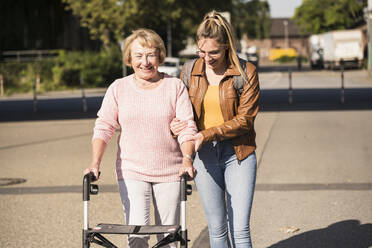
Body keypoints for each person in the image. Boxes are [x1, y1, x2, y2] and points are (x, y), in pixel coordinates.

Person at [84, 28, 197, 248]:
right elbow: (104, 127)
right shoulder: (118, 88)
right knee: (137, 234)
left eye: (150, 55)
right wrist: (94, 163)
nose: (145, 62)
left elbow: (187, 129)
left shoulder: (175, 87)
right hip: (132, 170)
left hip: (170, 171)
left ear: (159, 57)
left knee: (168, 238)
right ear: (129, 58)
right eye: (138, 55)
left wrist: (187, 159)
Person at [170, 11, 260, 248]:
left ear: (227, 47)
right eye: (201, 52)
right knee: (217, 229)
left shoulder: (245, 72)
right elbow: (181, 112)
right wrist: (174, 124)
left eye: (214, 53)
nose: (206, 58)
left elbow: (245, 120)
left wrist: (205, 134)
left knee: (239, 229)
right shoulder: (189, 71)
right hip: (204, 156)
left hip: (238, 153)